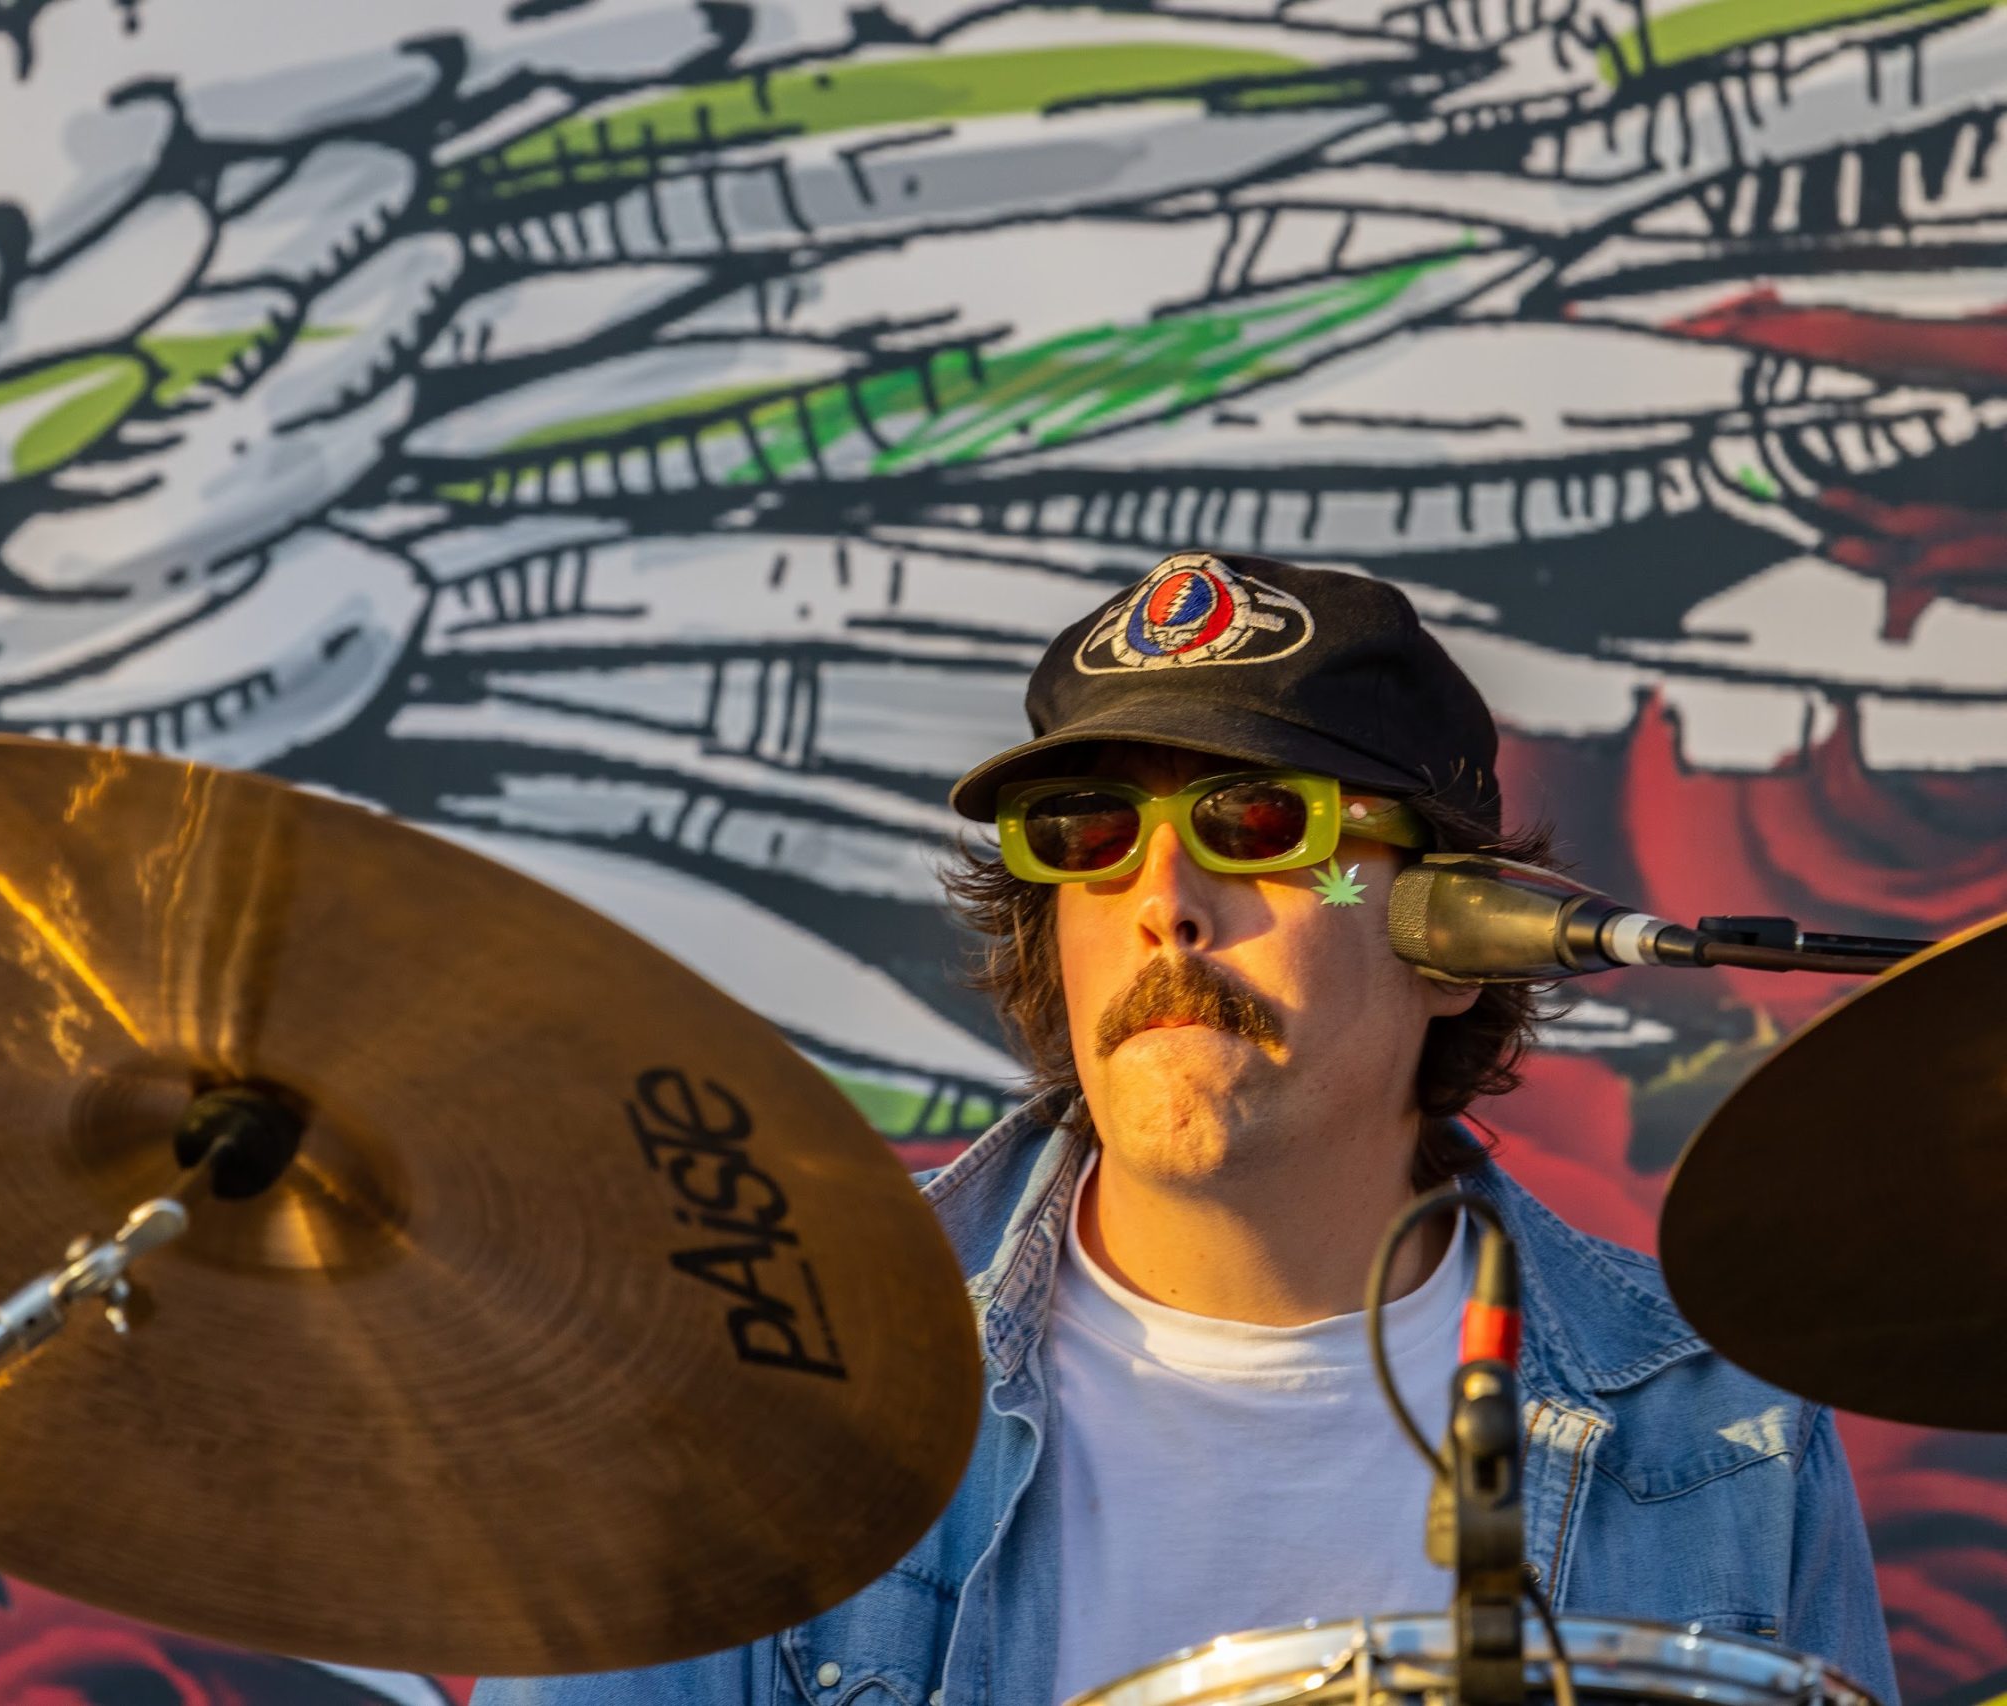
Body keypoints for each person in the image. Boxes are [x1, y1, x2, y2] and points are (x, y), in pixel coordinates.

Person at [474, 552, 1898, 1706]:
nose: (1164, 900)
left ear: (1454, 932)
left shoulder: (1721, 1422)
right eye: (1087, 835)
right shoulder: (762, 1380)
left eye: (1260, 821)